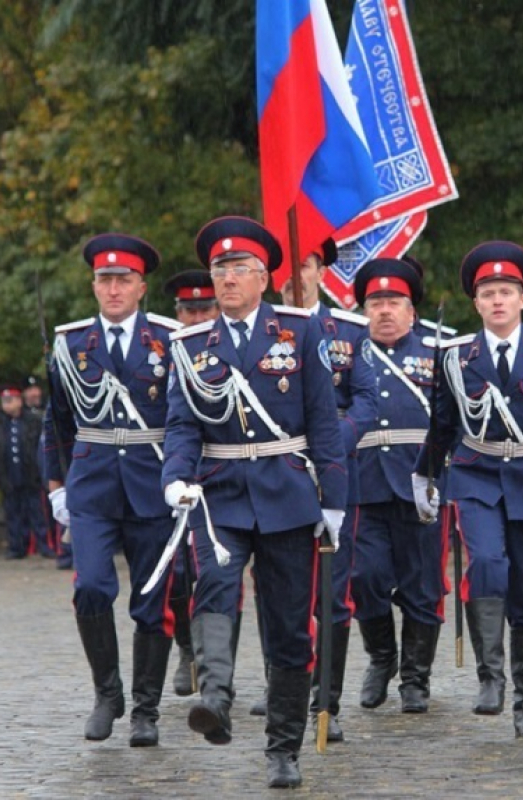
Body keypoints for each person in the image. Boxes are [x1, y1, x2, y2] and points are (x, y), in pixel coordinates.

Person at [161, 216, 347, 788]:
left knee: (289, 624)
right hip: (219, 493)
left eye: (239, 269)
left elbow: (322, 419)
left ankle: (282, 747)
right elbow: (182, 425)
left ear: (263, 278)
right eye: (220, 269)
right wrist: (176, 477)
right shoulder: (191, 345)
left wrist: (334, 502)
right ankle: (215, 696)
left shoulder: (298, 332)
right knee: (215, 585)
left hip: (287, 491)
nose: (227, 279)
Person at [412, 241, 523, 739]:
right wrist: (423, 474)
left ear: (522, 300)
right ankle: (490, 678)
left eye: (506, 292)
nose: (497, 300)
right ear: (476, 303)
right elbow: (443, 425)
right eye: (488, 292)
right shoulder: (455, 356)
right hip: (475, 475)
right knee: (488, 563)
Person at [43, 232, 180, 747]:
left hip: (152, 482)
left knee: (152, 601)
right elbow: (55, 421)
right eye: (105, 280)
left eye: (124, 280)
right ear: (94, 286)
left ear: (141, 287)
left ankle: (146, 709)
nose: (114, 289)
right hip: (93, 484)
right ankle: (107, 693)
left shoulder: (169, 340)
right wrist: (57, 485)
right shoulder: (71, 344)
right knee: (92, 586)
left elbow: (185, 419)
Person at [277, 238, 377, 741]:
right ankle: (286, 688)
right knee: (281, 592)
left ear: (321, 271)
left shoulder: (351, 332)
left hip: (334, 470)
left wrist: (335, 439)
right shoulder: (261, 329)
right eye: (290, 266)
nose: (297, 274)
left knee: (332, 594)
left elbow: (365, 397)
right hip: (278, 475)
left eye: (307, 264)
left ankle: (326, 702)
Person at [349, 257, 447, 717]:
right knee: (364, 578)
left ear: (412, 310)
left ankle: (415, 677)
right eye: (375, 302)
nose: (384, 310)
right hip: (362, 484)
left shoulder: (438, 352)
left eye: (394, 302)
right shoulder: (348, 354)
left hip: (421, 484)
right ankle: (380, 657)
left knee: (422, 585)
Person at [162, 267, 223, 698]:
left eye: (205, 308)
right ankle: (187, 649)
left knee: (217, 571)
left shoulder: (226, 349)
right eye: (190, 310)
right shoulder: (161, 351)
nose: (197, 317)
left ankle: (218, 663)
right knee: (177, 569)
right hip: (167, 470)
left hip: (219, 471)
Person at [0, 385, 53, 559]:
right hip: (8, 475)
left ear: (19, 401)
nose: (7, 405)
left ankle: (44, 545)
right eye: (4, 401)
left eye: (11, 400)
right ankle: (16, 547)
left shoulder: (33, 420)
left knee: (37, 513)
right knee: (13, 514)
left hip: (30, 474)